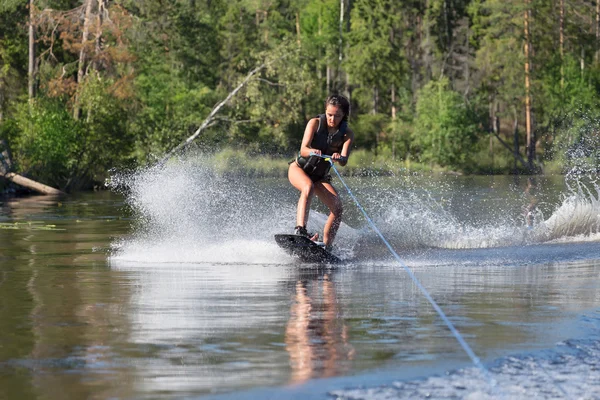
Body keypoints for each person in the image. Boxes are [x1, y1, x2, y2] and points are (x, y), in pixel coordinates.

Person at [288, 94, 354, 249]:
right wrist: (312, 151)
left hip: (320, 177)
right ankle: (300, 231)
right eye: (329, 115)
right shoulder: (314, 123)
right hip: (299, 169)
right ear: (325, 111)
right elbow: (303, 149)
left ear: (344, 115)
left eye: (337, 116)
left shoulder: (347, 134)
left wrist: (339, 157)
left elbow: (344, 160)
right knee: (307, 187)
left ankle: (327, 247)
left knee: (337, 208)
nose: (332, 119)